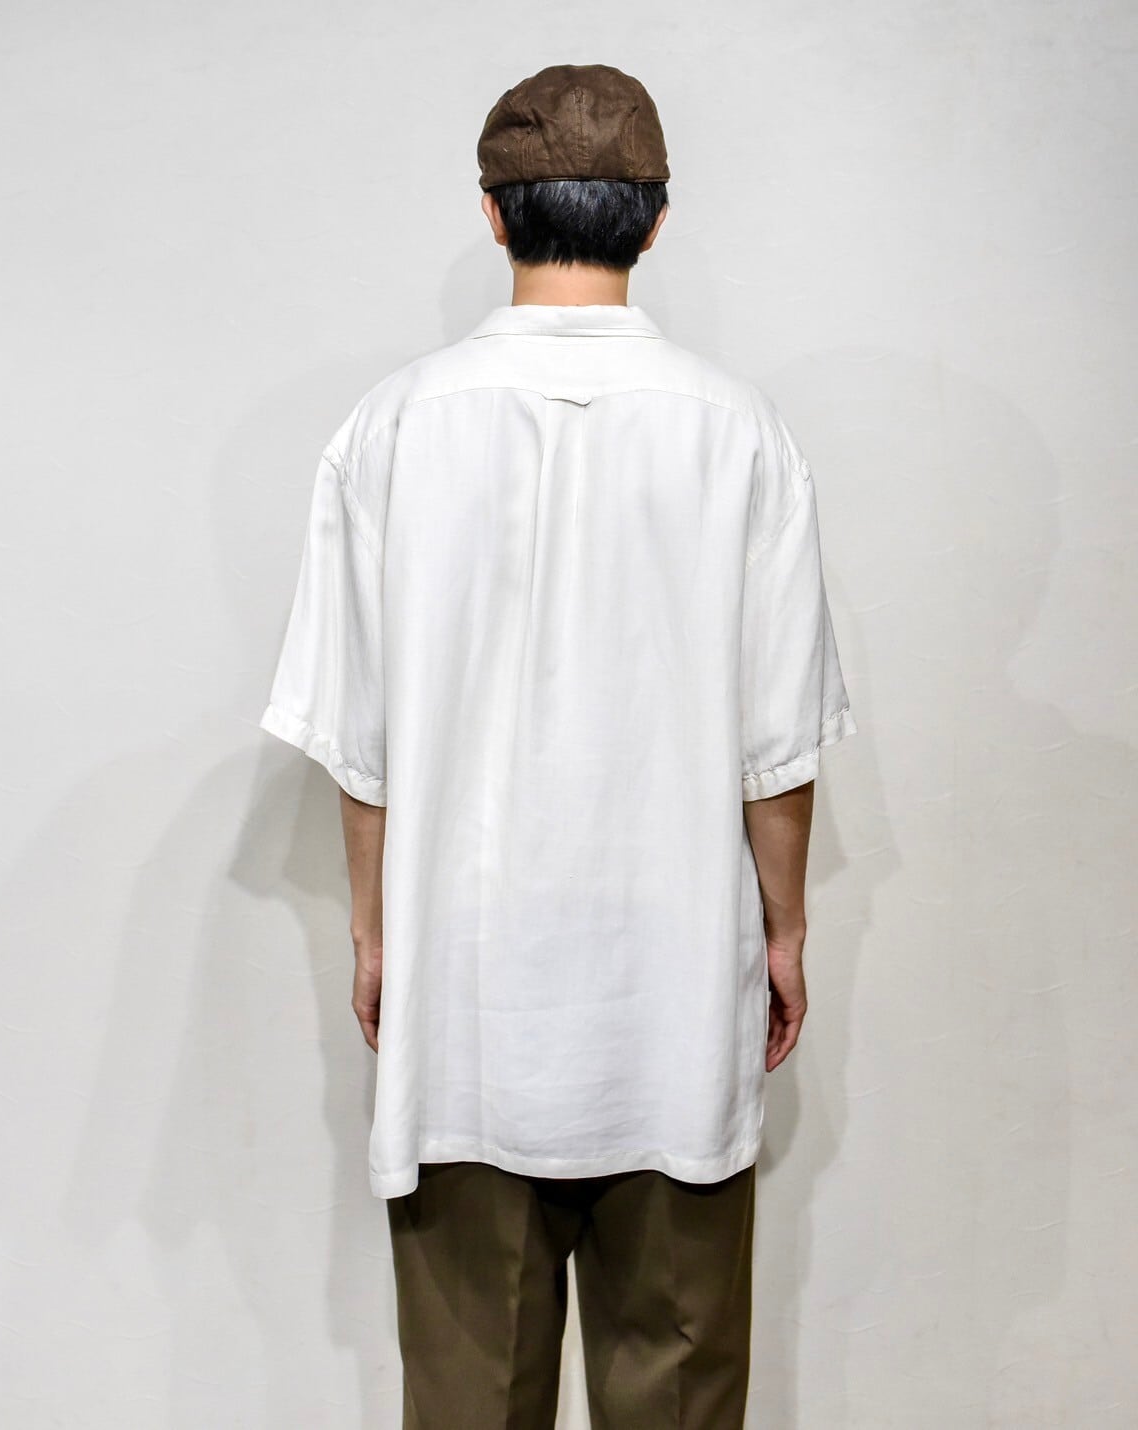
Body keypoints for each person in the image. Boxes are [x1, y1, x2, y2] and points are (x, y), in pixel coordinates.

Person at [259, 61, 857, 1430]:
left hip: (465, 1008)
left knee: (469, 1396)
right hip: (673, 997)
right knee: (680, 1392)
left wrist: (375, 931)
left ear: (492, 213)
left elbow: (363, 745)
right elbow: (776, 750)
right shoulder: (742, 434)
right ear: (656, 217)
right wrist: (782, 931)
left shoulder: (390, 429)